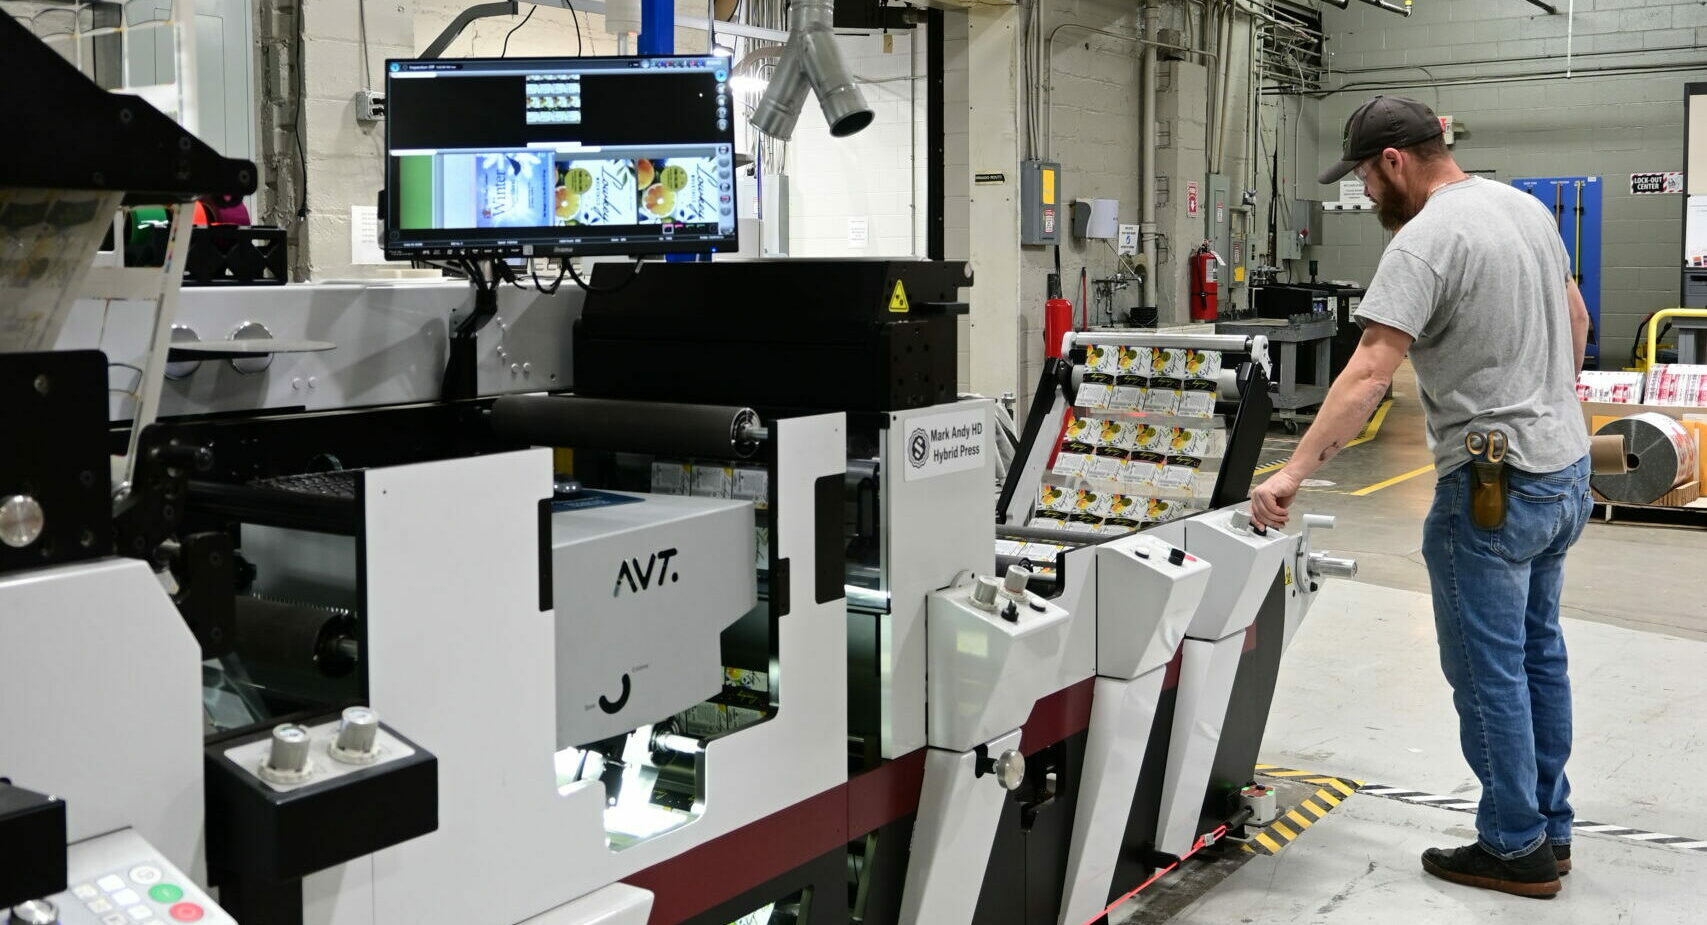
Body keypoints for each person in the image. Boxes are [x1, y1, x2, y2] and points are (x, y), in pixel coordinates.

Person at [1248, 95, 1592, 899]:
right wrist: (1550, 401)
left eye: (1365, 178)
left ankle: (1514, 846)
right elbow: (1575, 316)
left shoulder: (1422, 240)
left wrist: (1291, 471)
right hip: (1563, 469)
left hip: (1490, 489)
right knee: (1538, 651)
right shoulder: (1523, 208)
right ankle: (1550, 824)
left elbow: (1369, 372)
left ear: (1395, 161)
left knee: (1487, 669)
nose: (1365, 194)